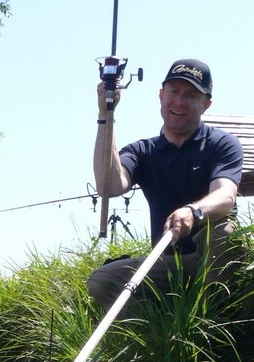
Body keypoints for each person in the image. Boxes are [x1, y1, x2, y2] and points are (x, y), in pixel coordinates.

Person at [87, 58, 243, 310]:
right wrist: (106, 115)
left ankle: (214, 322)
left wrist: (193, 212)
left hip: (207, 258)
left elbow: (226, 196)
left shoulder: (222, 144)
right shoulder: (142, 151)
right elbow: (110, 186)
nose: (179, 102)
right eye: (174, 92)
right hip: (167, 261)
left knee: (224, 232)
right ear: (161, 95)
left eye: (191, 95)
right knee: (103, 280)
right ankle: (152, 336)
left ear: (206, 104)